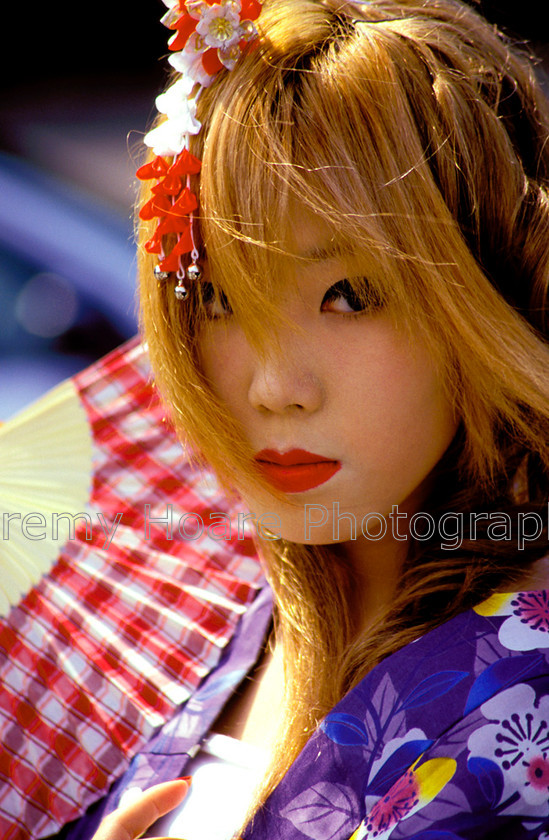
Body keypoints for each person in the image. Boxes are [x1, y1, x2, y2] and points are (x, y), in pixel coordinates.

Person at [58, 0, 549, 837]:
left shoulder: (520, 700)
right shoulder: (216, 621)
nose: (275, 386)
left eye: (348, 296)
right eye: (216, 298)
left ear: (478, 300)